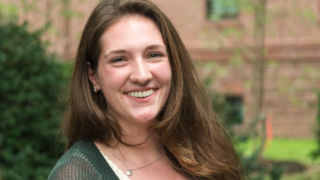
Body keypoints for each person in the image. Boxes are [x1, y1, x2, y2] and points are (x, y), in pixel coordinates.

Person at [48, 0, 243, 179]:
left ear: (173, 64)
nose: (142, 75)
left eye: (154, 54)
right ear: (93, 75)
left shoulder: (204, 154)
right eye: (119, 59)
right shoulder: (77, 174)